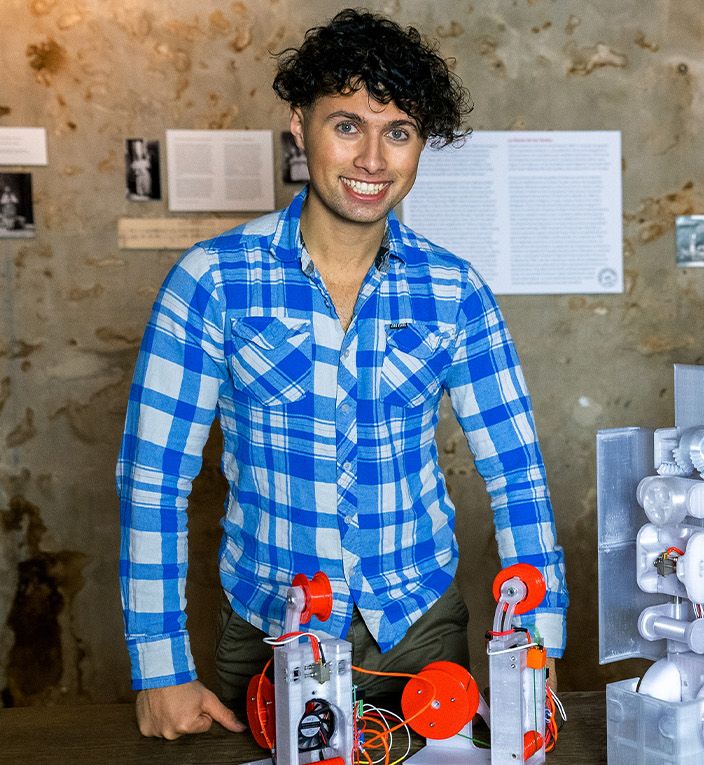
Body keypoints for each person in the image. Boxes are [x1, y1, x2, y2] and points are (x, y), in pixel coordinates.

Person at [118, 9, 567, 740]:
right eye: (348, 124)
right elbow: (152, 479)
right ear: (299, 124)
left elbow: (517, 475)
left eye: (399, 132)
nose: (372, 159)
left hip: (418, 632)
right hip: (268, 633)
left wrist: (538, 646)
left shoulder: (454, 291)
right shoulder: (212, 280)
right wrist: (160, 665)